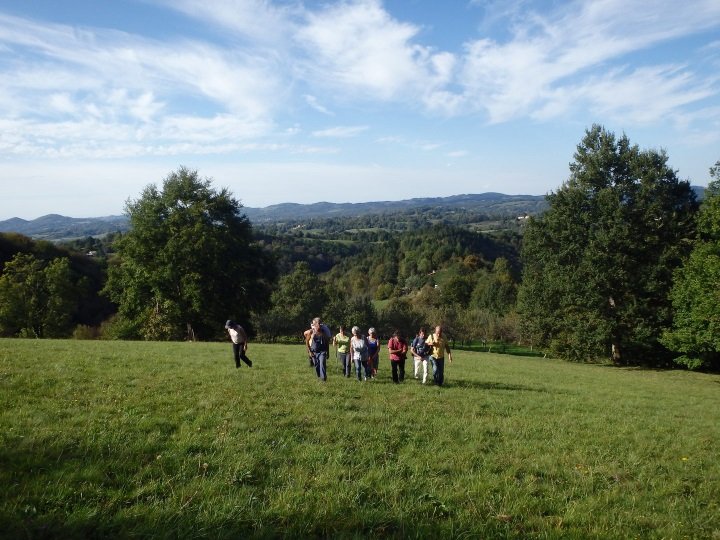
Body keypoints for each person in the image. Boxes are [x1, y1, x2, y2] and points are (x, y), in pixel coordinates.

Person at [307, 317, 331, 381]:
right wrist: (310, 351)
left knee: (322, 364)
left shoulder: (324, 332)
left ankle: (323, 379)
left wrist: (328, 352)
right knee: (316, 365)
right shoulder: (311, 332)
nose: (318, 325)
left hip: (322, 351)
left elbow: (327, 342)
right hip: (314, 351)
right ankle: (319, 376)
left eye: (319, 324)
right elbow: (307, 341)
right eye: (316, 324)